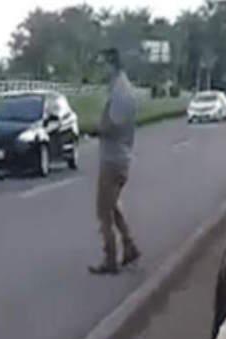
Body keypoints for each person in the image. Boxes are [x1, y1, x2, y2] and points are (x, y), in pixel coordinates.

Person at [88, 48, 141, 275]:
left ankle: (110, 259)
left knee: (103, 211)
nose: (100, 69)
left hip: (114, 158)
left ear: (111, 64)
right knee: (113, 206)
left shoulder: (120, 91)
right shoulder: (121, 88)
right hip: (120, 156)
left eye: (102, 65)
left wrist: (94, 130)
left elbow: (113, 125)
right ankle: (129, 246)